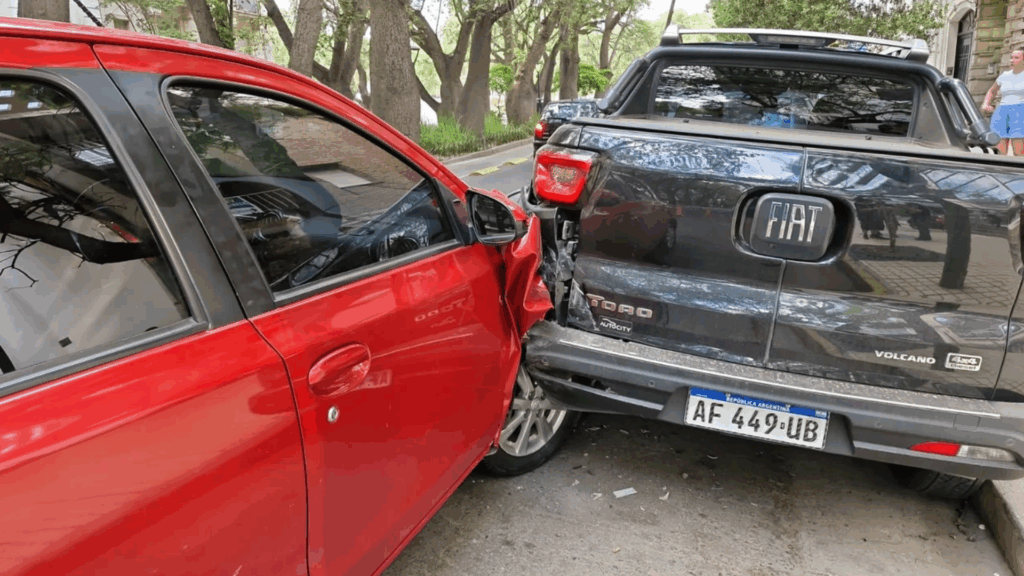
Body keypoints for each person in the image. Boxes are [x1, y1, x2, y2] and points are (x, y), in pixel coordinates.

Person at [983, 49, 1024, 155]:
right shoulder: (1005, 75)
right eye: (1011, 57)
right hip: (1002, 111)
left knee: (1019, 152)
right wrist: (986, 103)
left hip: (1020, 112)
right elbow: (992, 91)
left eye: (1016, 58)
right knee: (999, 151)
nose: (1012, 60)